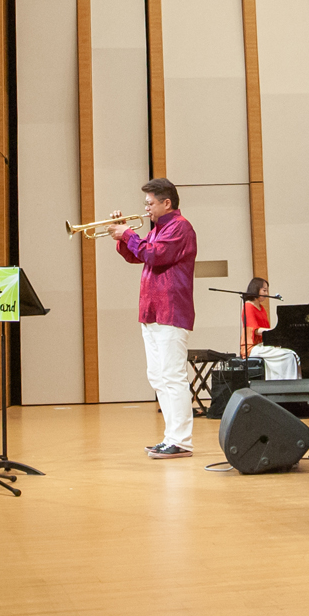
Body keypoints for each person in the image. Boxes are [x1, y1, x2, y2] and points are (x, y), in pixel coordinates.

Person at [113, 178, 198, 459]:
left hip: (170, 311)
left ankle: (181, 441)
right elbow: (136, 256)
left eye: (150, 203)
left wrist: (128, 234)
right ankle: (170, 437)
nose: (146, 208)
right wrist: (122, 237)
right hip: (152, 312)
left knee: (173, 376)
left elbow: (155, 255)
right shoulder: (159, 228)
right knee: (158, 376)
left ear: (166, 203)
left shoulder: (180, 227)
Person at [239, 279, 300, 380]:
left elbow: (266, 330)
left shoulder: (262, 308)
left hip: (262, 345)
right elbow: (255, 330)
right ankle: (288, 383)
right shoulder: (248, 306)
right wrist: (275, 331)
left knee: (290, 353)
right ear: (255, 289)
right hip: (252, 347)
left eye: (267, 290)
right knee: (288, 355)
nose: (267, 293)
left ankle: (284, 382)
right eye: (264, 290)